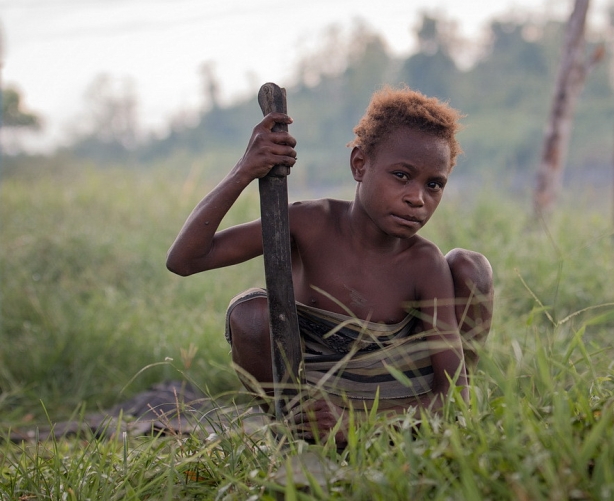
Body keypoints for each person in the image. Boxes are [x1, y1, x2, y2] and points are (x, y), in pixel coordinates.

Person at [166, 86, 493, 444]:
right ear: (360, 164)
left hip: (393, 408)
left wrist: (356, 426)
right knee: (250, 313)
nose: (417, 198)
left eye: (434, 185)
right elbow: (185, 259)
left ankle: (436, 437)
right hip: (313, 405)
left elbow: (452, 395)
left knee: (471, 266)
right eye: (401, 175)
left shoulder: (423, 264)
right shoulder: (310, 224)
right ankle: (295, 437)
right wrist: (245, 170)